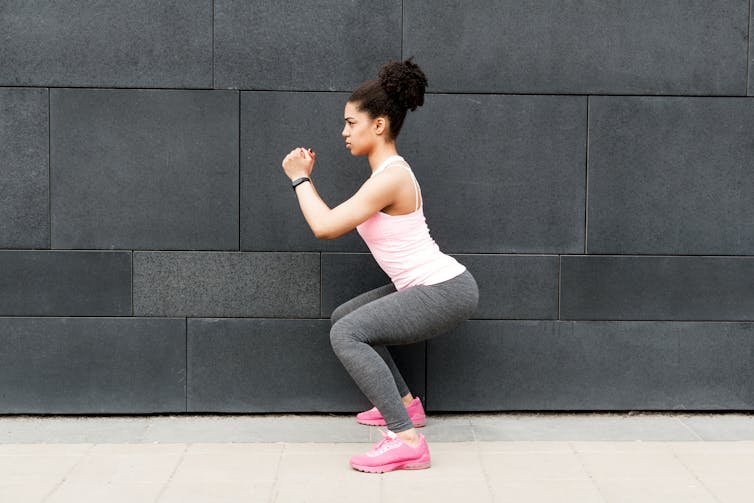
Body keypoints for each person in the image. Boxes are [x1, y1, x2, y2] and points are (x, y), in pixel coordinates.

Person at [281, 59, 478, 473]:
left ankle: (405, 438)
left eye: (351, 122)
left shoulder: (390, 177)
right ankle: (407, 405)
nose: (344, 132)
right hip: (429, 286)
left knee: (348, 333)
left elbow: (325, 226)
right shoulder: (383, 176)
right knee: (346, 317)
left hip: (444, 289)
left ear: (379, 125)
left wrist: (300, 178)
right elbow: (332, 220)